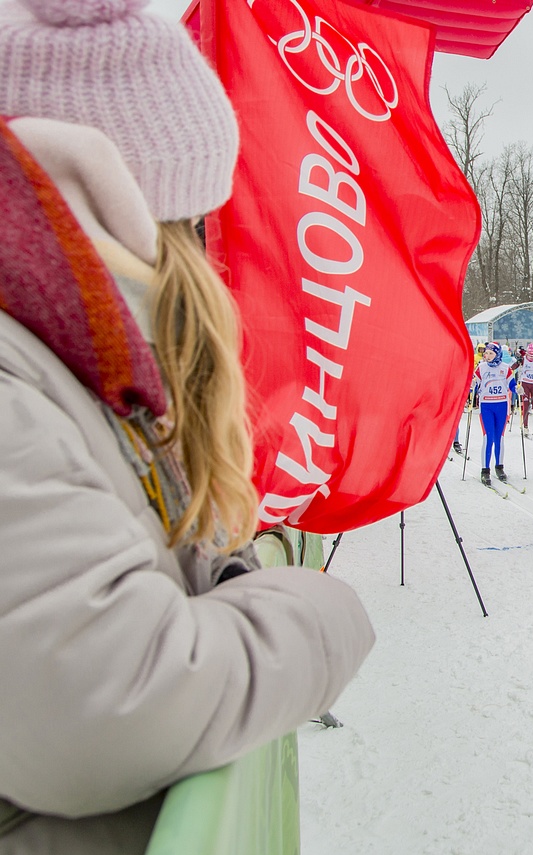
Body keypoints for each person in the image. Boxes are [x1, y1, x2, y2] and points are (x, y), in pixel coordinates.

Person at [0, 3, 375, 852]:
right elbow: (105, 704)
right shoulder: (18, 376)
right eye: (200, 224)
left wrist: (222, 569)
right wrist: (324, 613)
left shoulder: (79, 366)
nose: (211, 263)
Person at [471, 341, 516, 486]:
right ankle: (485, 470)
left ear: (497, 354)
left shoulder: (505, 368)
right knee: (488, 437)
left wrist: (518, 389)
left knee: (499, 438)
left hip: (502, 405)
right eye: (486, 353)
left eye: (491, 353)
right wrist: (471, 385)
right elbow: (475, 382)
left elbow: (512, 385)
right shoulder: (481, 367)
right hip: (486, 406)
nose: (487, 356)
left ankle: (499, 467)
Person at [516, 342, 533, 437]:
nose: (532, 358)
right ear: (526, 353)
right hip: (525, 384)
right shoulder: (523, 359)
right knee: (526, 406)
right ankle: (525, 427)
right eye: (530, 355)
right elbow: (512, 367)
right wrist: (517, 361)